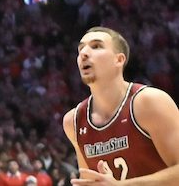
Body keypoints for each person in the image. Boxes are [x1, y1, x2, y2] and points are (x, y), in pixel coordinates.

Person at [63, 27, 179, 184]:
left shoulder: (148, 102)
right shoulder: (73, 121)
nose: (83, 53)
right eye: (81, 48)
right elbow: (91, 180)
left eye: (96, 46)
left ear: (119, 60)